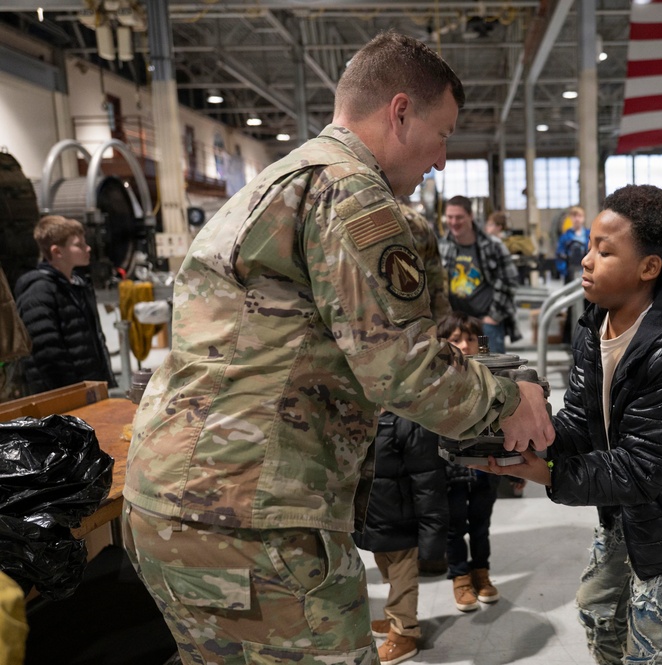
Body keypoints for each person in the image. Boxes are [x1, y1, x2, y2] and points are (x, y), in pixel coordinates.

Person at [121, 32, 554, 665]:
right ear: (400, 112)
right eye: (443, 134)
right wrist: (509, 401)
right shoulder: (350, 190)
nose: (440, 161)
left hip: (168, 505)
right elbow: (403, 368)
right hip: (258, 516)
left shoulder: (276, 180)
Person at [484, 184, 662, 665]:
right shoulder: (595, 323)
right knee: (599, 610)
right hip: (630, 505)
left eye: (604, 251)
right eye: (589, 245)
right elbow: (583, 418)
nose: (586, 260)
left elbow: (642, 469)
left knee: (647, 647)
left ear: (649, 268)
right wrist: (535, 439)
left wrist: (549, 474)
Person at [354, 406, 447, 665]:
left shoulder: (412, 423)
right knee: (389, 572)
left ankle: (404, 633)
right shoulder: (366, 415)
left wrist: (431, 537)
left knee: (403, 579)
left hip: (403, 523)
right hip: (377, 518)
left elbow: (428, 482)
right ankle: (396, 617)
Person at [436, 312, 508, 611]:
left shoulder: (493, 376)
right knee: (454, 526)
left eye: (470, 339)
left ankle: (482, 573)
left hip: (485, 464)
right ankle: (460, 577)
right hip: (449, 467)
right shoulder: (434, 380)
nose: (465, 345)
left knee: (481, 525)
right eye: (456, 340)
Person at [13, 215, 116, 395]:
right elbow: (46, 353)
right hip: (65, 398)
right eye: (79, 245)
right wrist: (73, 393)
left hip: (90, 390)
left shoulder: (78, 286)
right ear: (57, 252)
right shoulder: (38, 292)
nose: (88, 248)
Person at [440, 195, 522, 353]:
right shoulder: (443, 246)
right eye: (450, 217)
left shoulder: (493, 246)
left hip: (486, 324)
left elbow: (510, 282)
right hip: (456, 325)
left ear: (471, 216)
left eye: (459, 217)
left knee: (493, 374)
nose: (454, 222)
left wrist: (493, 317)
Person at [397, 199, 451, 321]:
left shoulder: (415, 223)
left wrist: (444, 325)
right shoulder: (417, 221)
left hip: (412, 319)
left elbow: (434, 281)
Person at [556, 205, 589, 281]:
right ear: (570, 218)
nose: (577, 219)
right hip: (570, 274)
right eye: (574, 216)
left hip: (587, 271)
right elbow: (560, 255)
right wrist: (564, 271)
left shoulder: (589, 235)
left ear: (583, 218)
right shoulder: (565, 237)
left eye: (579, 216)